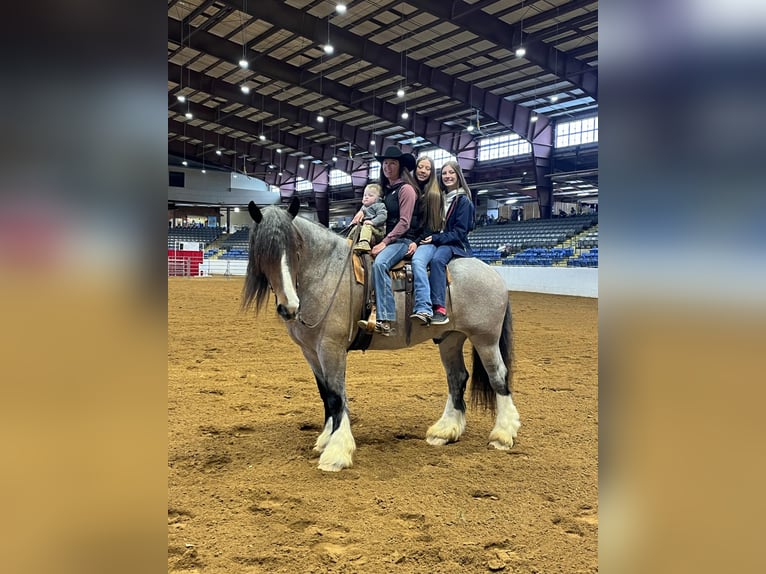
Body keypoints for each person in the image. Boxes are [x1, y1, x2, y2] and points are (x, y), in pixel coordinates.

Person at [357, 146, 419, 336]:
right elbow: (371, 204)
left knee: (380, 264)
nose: (388, 167)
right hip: (385, 236)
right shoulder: (385, 190)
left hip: (400, 239)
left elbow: (405, 222)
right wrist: (361, 211)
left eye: (393, 163)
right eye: (385, 163)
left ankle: (387, 319)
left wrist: (385, 242)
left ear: (401, 167)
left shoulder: (406, 189)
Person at [409, 159, 474, 326]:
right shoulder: (442, 197)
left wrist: (436, 238)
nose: (447, 176)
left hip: (455, 243)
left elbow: (459, 232)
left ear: (458, 175)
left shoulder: (463, 201)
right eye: (444, 173)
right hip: (440, 240)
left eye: (451, 172)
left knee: (437, 260)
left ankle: (439, 308)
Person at [350, 183, 387, 252]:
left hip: (377, 231)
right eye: (365, 195)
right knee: (356, 228)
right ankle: (349, 240)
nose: (366, 197)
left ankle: (364, 243)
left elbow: (383, 216)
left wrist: (372, 222)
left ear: (378, 199)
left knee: (367, 226)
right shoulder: (363, 207)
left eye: (370, 195)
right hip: (365, 228)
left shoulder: (379, 205)